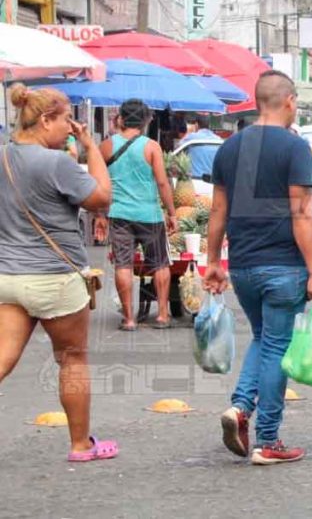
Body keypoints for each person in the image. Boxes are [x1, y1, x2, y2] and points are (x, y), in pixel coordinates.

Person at [204, 70, 312, 465]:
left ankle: (240, 407)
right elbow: (299, 214)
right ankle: (268, 440)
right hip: (283, 267)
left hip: (242, 266)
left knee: (263, 338)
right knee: (276, 345)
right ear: (289, 101)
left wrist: (212, 262)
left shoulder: (228, 148)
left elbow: (218, 211)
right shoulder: (295, 148)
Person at [0, 84, 116, 461]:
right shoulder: (56, 163)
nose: (71, 126)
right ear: (46, 118)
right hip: (54, 276)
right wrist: (92, 148)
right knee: (72, 358)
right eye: (67, 118)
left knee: (3, 357)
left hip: (9, 277)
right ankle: (81, 444)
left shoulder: (3, 156)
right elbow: (101, 197)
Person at [95, 100, 176, 331]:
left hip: (119, 214)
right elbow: (162, 182)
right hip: (149, 215)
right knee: (160, 263)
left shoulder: (106, 147)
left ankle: (129, 319)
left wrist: (100, 214)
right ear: (145, 121)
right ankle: (162, 315)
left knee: (123, 264)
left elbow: (97, 183)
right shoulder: (151, 147)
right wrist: (172, 213)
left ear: (120, 118)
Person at [179, 114, 223, 180]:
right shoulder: (218, 139)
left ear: (196, 125)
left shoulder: (192, 137)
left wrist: (189, 132)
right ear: (209, 125)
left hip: (194, 181)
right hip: (212, 182)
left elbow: (178, 147)